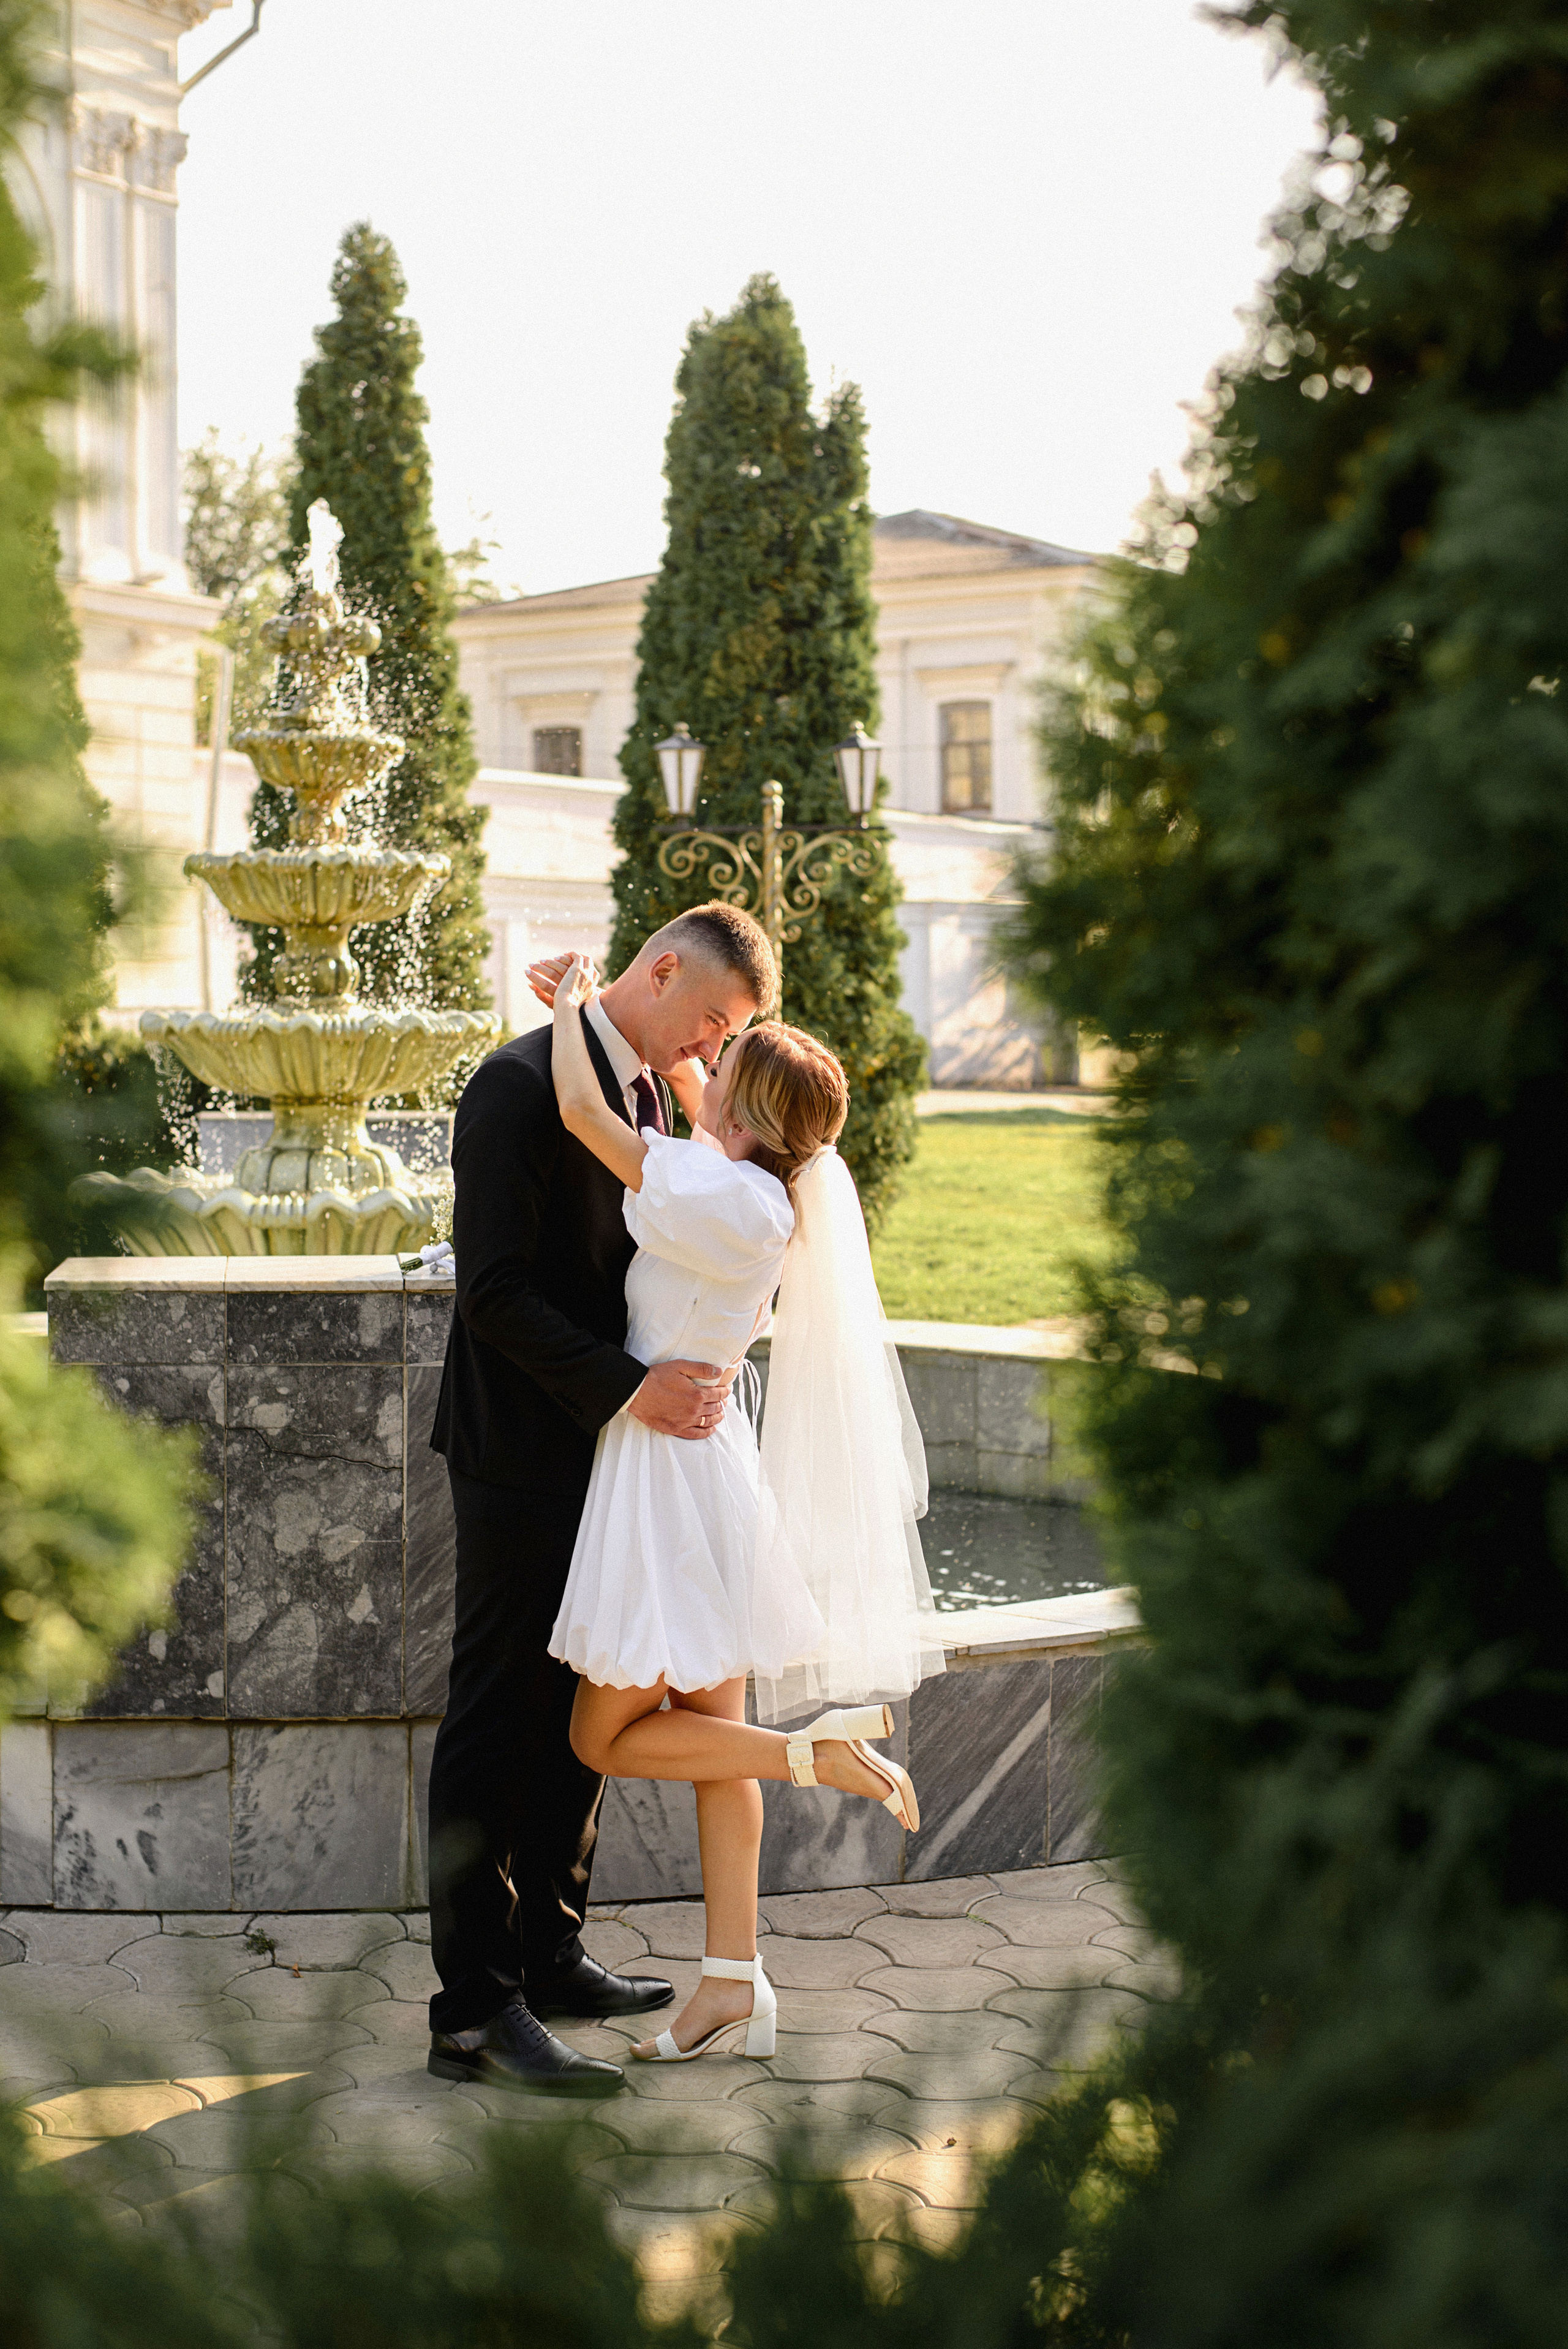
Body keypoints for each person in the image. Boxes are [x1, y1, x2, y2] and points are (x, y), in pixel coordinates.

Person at [541, 950, 943, 2063]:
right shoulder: (762, 1198)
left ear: (747, 1111)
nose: (702, 1064)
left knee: (603, 1733)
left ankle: (813, 1755)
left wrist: (575, 997)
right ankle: (732, 1978)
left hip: (662, 1473)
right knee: (713, 1743)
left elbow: (583, 1108)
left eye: (723, 1062)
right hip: (709, 1470)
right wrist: (690, 1078)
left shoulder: (720, 1195)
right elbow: (693, 1135)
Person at [424, 902, 776, 2097]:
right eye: (713, 1020)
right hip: (523, 1449)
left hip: (616, 1460)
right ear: (663, 969)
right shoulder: (519, 1087)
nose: (710, 1047)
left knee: (585, 1698)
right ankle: (473, 2012)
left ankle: (549, 1952)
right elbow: (497, 1295)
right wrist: (636, 1390)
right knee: (493, 1718)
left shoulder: (637, 1092)